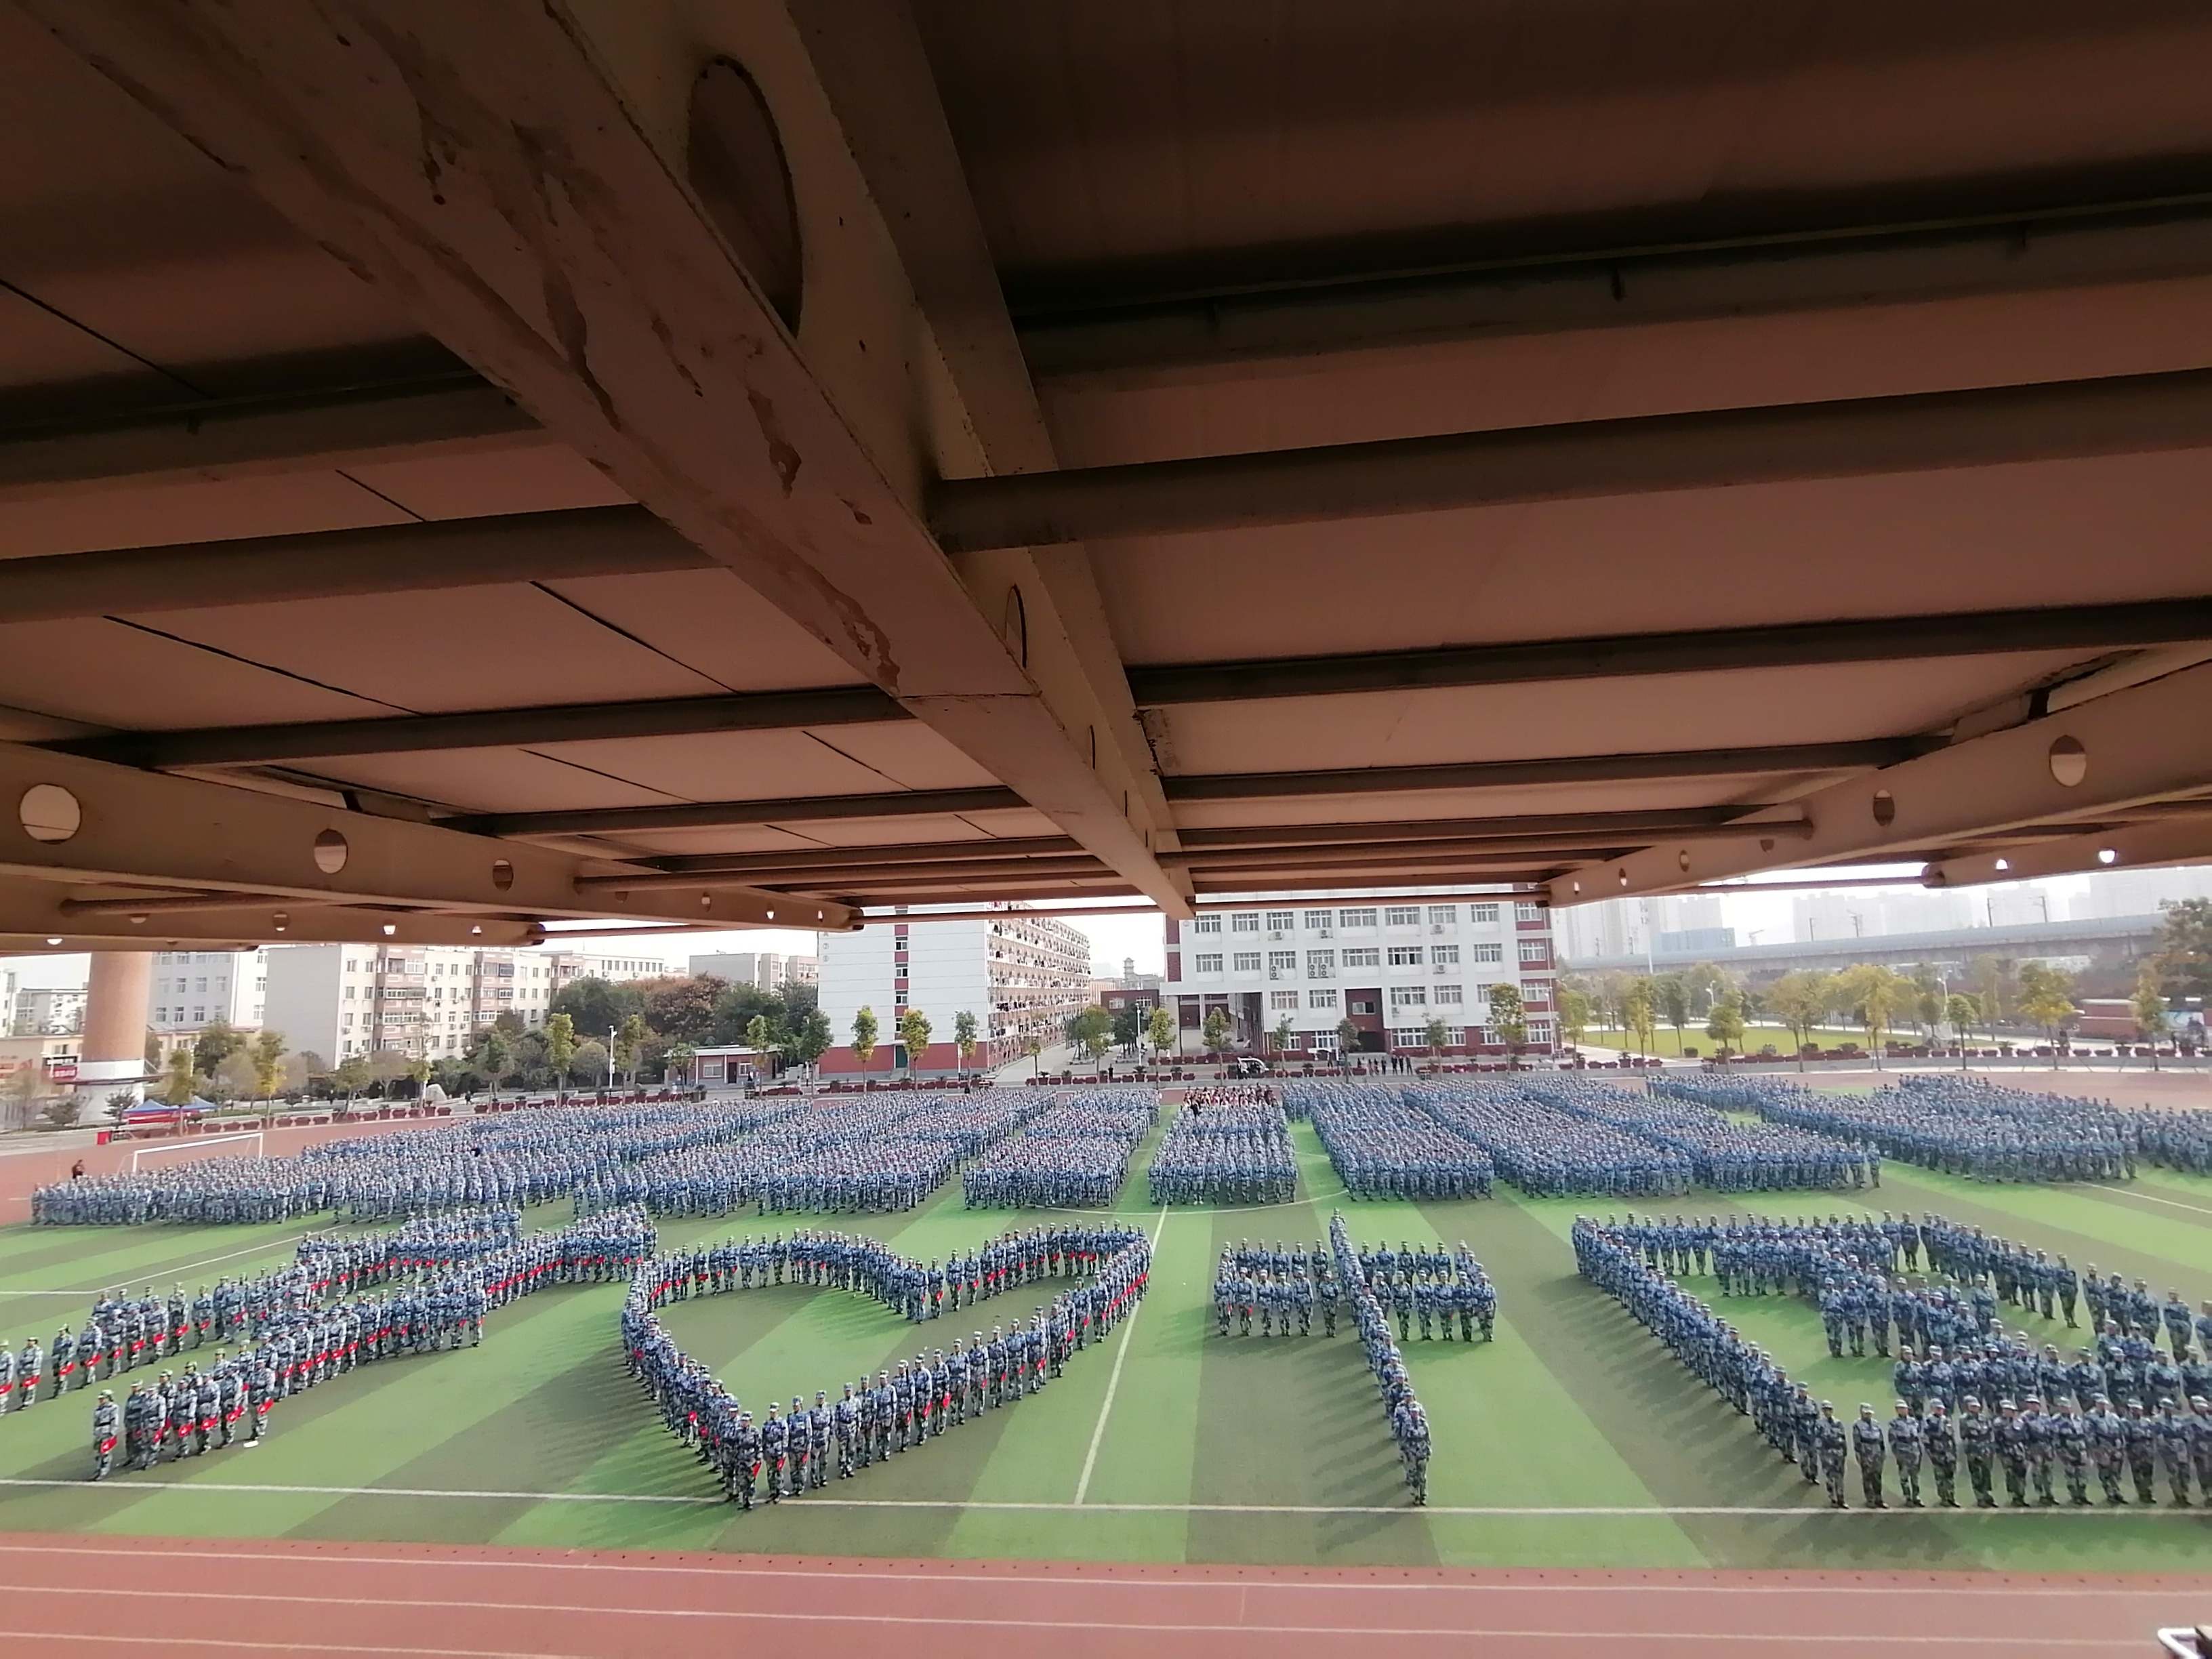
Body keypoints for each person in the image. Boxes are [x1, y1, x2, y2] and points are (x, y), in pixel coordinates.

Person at [1887, 1401, 1924, 1507]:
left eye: (1905, 1408)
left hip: (1914, 1451)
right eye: (1901, 1409)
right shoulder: (1894, 1423)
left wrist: (1920, 1451)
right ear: (1897, 1410)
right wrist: (1896, 1454)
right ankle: (1907, 1497)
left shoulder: (1913, 1422)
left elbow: (1918, 1437)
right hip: (1902, 1452)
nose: (1904, 1410)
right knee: (1904, 1476)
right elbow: (1892, 1440)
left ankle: (1916, 1497)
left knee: (1915, 1476)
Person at [1851, 1404, 1887, 1508]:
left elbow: (1881, 1439)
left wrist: (1883, 1451)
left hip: (1877, 1453)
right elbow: (1857, 1441)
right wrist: (1858, 1454)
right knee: (1867, 1477)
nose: (1868, 1415)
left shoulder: (1876, 1424)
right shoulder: (1857, 1425)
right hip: (1866, 1453)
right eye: (1866, 1413)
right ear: (1862, 1413)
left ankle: (1879, 1499)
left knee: (1877, 1477)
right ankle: (1870, 1499)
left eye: (1869, 1413)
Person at [89, 1390, 119, 1479]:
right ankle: (98, 1470)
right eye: (100, 1399)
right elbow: (95, 1423)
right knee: (99, 1452)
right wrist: (95, 1433)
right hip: (99, 1433)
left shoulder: (113, 1407)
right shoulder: (97, 1410)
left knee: (105, 1452)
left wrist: (113, 1432)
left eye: (103, 1398)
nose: (101, 1400)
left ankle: (104, 1470)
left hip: (107, 1431)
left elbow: (114, 1420)